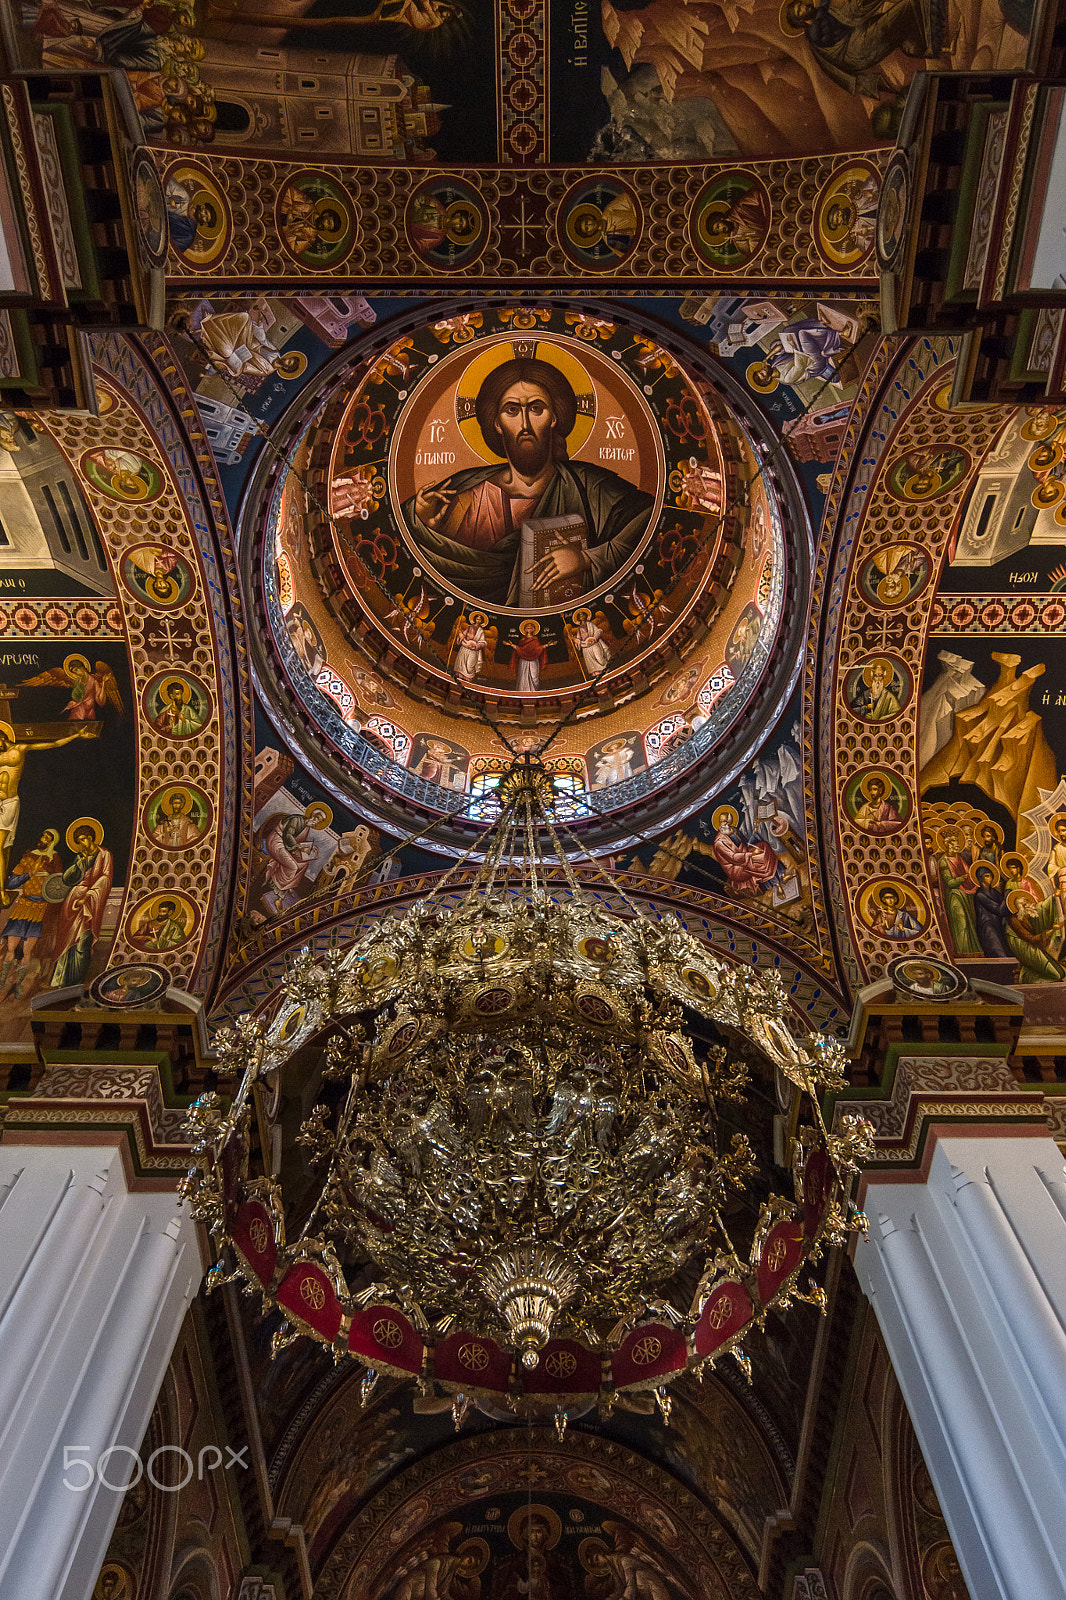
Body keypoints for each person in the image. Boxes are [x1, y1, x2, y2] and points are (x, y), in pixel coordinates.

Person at [403, 357, 653, 608]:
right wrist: (424, 526)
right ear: (497, 423)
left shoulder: (590, 486)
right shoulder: (463, 492)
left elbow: (652, 521)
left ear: (554, 417)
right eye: (512, 410)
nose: (525, 424)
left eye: (536, 408)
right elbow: (435, 562)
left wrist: (587, 560)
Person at [0, 721, 96, 905]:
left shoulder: (20, 749)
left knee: (1, 847)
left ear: (3, 737)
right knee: (2, 849)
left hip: (10, 802)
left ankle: (2, 892)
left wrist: (76, 736)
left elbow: (53, 744)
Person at [0, 829, 62, 1000]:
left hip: (40, 909)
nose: (42, 839)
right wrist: (28, 874)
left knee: (28, 951)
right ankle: (2, 983)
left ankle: (18, 984)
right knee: (11, 948)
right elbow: (11, 882)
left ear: (52, 842)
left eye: (47, 838)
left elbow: (59, 885)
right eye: (43, 836)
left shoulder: (54, 859)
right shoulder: (29, 857)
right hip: (24, 906)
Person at [51, 822, 113, 988]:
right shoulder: (80, 856)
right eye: (79, 841)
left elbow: (106, 878)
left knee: (83, 940)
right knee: (65, 940)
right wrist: (79, 862)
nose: (82, 844)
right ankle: (60, 980)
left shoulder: (104, 854)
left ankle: (77, 982)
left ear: (91, 838)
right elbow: (67, 879)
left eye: (84, 839)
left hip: (89, 902)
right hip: (72, 901)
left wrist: (88, 896)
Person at [510, 619, 548, 692]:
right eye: (527, 628)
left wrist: (544, 646)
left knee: (534, 676)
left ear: (533, 629)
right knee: (523, 675)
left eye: (531, 628)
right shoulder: (523, 640)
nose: (529, 629)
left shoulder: (535, 639)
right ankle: (522, 690)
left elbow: (537, 649)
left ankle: (534, 690)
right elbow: (521, 649)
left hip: (534, 660)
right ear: (525, 629)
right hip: (523, 661)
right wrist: (515, 647)